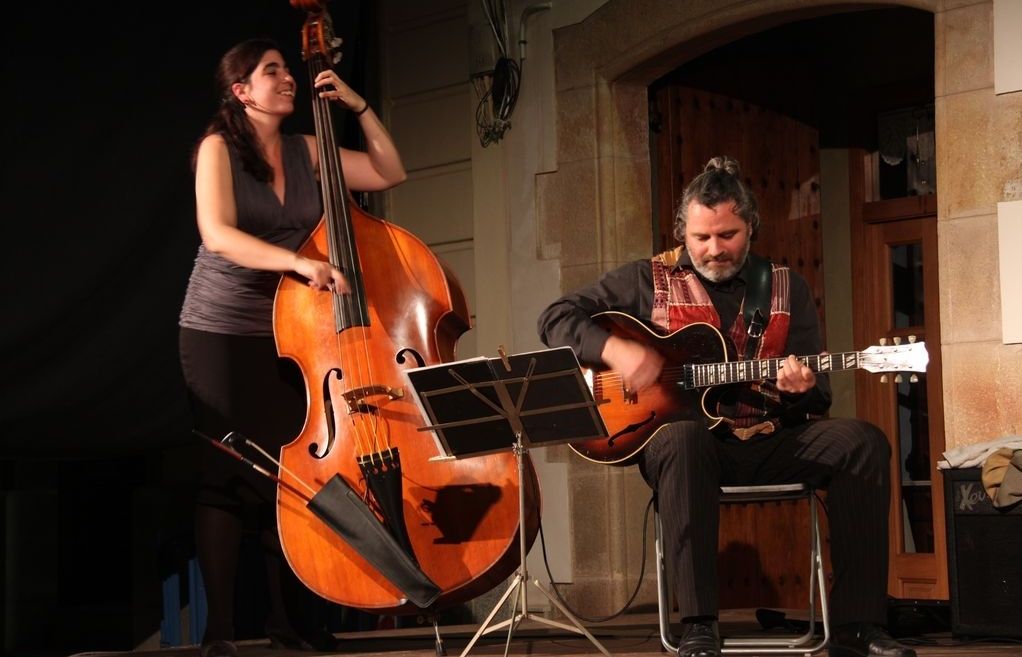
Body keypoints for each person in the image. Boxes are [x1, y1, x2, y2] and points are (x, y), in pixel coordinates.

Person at [537, 156, 916, 657]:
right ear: (683, 233)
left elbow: (819, 393)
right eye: (702, 239)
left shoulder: (785, 287)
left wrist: (800, 387)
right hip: (686, 448)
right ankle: (698, 625)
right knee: (683, 436)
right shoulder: (646, 280)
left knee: (863, 442)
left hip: (767, 436)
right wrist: (616, 350)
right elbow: (555, 317)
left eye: (728, 235)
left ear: (751, 228)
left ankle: (859, 627)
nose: (715, 250)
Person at [178, 38, 406, 657]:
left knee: (291, 476)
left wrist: (359, 107)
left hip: (294, 330)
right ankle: (220, 631)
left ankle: (292, 619)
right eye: (270, 72)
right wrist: (297, 263)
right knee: (225, 478)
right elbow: (218, 233)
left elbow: (389, 171)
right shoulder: (218, 150)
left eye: (286, 69)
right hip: (221, 329)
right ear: (241, 91)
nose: (287, 79)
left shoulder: (309, 150)